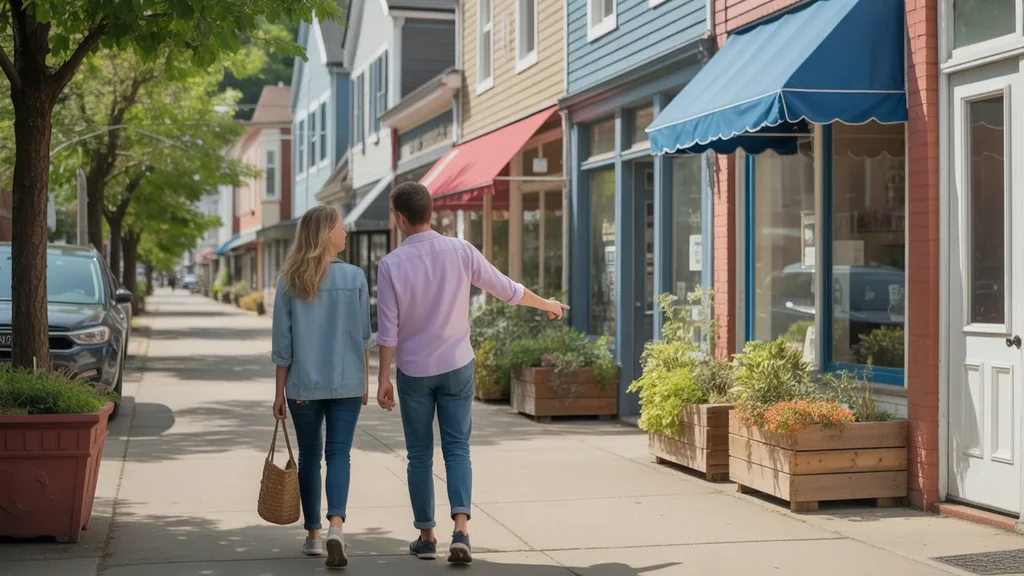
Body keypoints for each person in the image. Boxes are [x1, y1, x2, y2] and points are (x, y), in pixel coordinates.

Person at [375, 182, 567, 564]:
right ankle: (461, 531)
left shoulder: (391, 264)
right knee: (457, 449)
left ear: (399, 218)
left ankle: (426, 536)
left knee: (418, 455)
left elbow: (388, 328)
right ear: (431, 211)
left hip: (414, 371)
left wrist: (382, 378)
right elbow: (505, 289)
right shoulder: (460, 251)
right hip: (457, 364)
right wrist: (546, 303)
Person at [271, 205, 372, 570]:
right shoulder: (357, 278)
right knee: (339, 454)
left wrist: (279, 393)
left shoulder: (290, 279)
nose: (346, 233)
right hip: (347, 383)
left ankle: (313, 535)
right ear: (327, 233)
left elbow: (283, 344)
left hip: (302, 385)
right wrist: (365, 380)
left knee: (310, 456)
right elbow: (363, 336)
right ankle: (336, 526)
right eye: (341, 228)